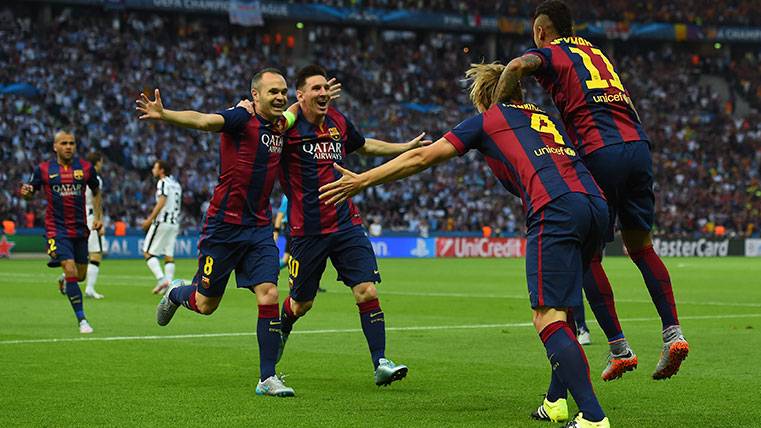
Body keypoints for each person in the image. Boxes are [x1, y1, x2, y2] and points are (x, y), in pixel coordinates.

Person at [320, 63, 610, 428]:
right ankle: (555, 401)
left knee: (547, 316)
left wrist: (362, 180)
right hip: (596, 204)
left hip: (556, 208)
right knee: (565, 312)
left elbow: (422, 156)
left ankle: (593, 418)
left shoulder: (488, 119)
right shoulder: (540, 115)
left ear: (484, 98)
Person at [495, 0, 688, 381]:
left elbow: (516, 66)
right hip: (638, 147)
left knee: (587, 258)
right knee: (642, 248)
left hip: (600, 152)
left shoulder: (549, 52)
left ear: (540, 31)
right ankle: (673, 334)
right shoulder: (594, 51)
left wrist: (498, 112)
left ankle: (619, 348)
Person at [136, 68, 294, 397]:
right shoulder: (240, 117)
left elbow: (295, 110)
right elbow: (205, 121)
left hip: (259, 228)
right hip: (223, 227)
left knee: (269, 294)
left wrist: (309, 97)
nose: (280, 97)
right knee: (206, 304)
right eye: (272, 92)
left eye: (284, 91)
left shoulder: (282, 124)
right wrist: (165, 115)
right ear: (255, 95)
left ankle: (267, 377)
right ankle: (176, 293)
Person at [277, 64, 427, 386]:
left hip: (346, 223)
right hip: (308, 231)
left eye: (325, 88)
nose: (323, 93)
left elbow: (363, 145)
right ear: (299, 95)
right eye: (314, 89)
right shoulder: (287, 129)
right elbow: (267, 126)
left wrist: (404, 148)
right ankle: (282, 326)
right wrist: (291, 109)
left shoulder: (338, 122)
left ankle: (381, 363)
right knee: (301, 303)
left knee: (366, 290)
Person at [20, 131, 102, 334]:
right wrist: (27, 195)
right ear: (55, 146)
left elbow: (97, 190)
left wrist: (99, 217)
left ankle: (66, 280)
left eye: (71, 143)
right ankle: (82, 320)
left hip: (80, 229)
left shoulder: (85, 168)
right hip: (57, 230)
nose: (68, 146)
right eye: (64, 143)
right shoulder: (44, 169)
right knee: (71, 269)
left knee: (80, 275)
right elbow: (31, 192)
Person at [142, 160, 182, 294]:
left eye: (155, 167)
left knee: (147, 252)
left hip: (162, 222)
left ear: (162, 170)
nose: (153, 169)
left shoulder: (163, 182)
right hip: (174, 223)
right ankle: (169, 286)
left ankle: (161, 279)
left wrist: (149, 219)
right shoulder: (176, 184)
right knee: (168, 255)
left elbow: (162, 202)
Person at [273, 195, 326, 292]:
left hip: (298, 229)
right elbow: (280, 214)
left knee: (292, 259)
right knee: (294, 258)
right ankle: (270, 271)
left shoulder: (299, 193)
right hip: (291, 229)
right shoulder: (287, 196)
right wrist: (276, 231)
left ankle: (311, 285)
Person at [83, 151, 106, 299]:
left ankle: (66, 277)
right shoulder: (95, 179)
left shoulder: (78, 176)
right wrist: (100, 221)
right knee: (96, 254)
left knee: (79, 253)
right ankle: (89, 289)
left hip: (78, 216)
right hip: (90, 217)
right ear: (97, 162)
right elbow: (97, 201)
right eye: (101, 162)